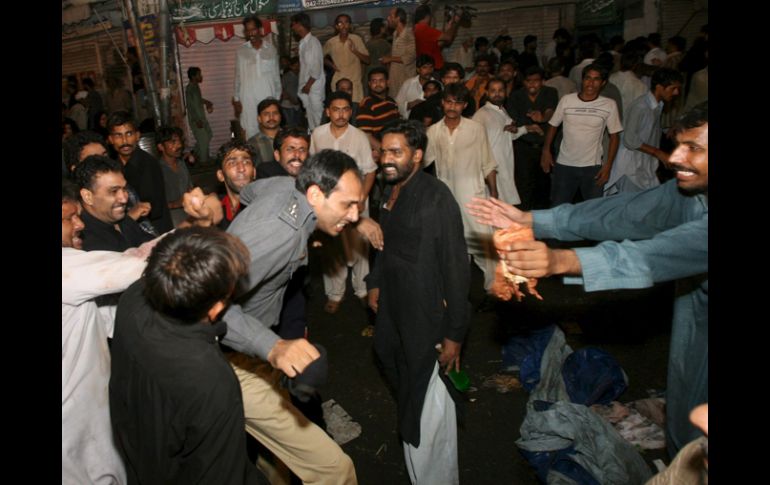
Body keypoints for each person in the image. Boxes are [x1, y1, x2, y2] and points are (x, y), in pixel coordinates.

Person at [468, 101, 708, 458]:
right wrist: (533, 220)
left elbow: (653, 256)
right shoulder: (691, 191)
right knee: (685, 423)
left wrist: (561, 260)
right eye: (678, 145)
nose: (675, 158)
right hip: (694, 328)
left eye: (694, 148)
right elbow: (625, 212)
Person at [110, 227, 261, 484]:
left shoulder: (132, 299)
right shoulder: (210, 379)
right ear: (215, 308)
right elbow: (220, 475)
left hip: (139, 459)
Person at [367, 120, 470, 485]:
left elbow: (457, 268)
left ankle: (434, 476)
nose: (386, 159)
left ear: (417, 155)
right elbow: (383, 242)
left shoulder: (436, 197)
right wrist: (375, 282)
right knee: (388, 357)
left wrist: (455, 333)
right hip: (393, 308)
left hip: (426, 316)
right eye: (383, 151)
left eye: (396, 152)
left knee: (426, 403)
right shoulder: (389, 188)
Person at [62, 178, 152, 485]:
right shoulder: (67, 266)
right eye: (69, 218)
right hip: (76, 414)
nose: (79, 224)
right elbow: (134, 267)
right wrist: (194, 233)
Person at [424, 83, 498, 291]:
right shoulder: (433, 131)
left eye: (457, 103)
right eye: (449, 102)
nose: (452, 107)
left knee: (482, 243)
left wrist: (494, 193)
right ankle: (458, 290)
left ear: (464, 105)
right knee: (454, 244)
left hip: (473, 196)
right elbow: (423, 162)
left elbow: (488, 162)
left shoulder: (476, 129)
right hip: (447, 198)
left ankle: (494, 288)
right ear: (442, 103)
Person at [310, 91, 378, 314]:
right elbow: (312, 168)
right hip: (329, 203)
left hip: (356, 200)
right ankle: (335, 293)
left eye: (345, 109)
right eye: (336, 109)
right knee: (332, 246)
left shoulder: (359, 136)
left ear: (351, 112)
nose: (341, 114)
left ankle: (362, 288)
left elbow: (370, 171)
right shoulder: (317, 135)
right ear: (327, 111)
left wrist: (362, 199)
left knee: (360, 246)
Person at [541, 63, 622, 206]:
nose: (591, 83)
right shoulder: (567, 100)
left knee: (593, 209)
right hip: (565, 165)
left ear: (603, 83)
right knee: (559, 207)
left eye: (596, 79)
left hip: (592, 167)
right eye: (588, 78)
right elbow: (553, 125)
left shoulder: (609, 105)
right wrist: (546, 151)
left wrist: (608, 165)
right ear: (582, 80)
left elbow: (615, 136)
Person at [604, 68, 683, 195]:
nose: (676, 92)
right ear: (659, 87)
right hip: (630, 168)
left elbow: (648, 131)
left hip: (643, 166)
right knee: (631, 203)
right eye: (673, 88)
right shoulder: (640, 106)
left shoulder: (657, 106)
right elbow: (629, 140)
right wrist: (658, 153)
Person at [107, 111, 174, 233]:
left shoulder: (148, 164)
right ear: (111, 139)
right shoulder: (112, 167)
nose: (124, 141)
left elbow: (153, 208)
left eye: (129, 134)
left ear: (137, 136)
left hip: (154, 232)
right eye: (118, 135)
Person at [233, 14, 281, 140]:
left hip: (267, 98)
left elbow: (276, 77)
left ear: (260, 30)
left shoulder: (271, 49)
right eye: (247, 30)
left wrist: (277, 99)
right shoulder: (241, 51)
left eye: (253, 29)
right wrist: (236, 99)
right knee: (250, 131)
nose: (251, 33)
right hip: (248, 99)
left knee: (270, 131)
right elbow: (238, 76)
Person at [324, 14, 370, 104]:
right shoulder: (331, 42)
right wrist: (331, 65)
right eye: (340, 23)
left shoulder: (356, 39)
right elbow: (320, 58)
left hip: (354, 83)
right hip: (338, 82)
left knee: (356, 108)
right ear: (336, 26)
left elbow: (368, 60)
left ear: (350, 25)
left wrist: (355, 51)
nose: (344, 26)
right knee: (340, 107)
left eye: (346, 22)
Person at [291, 12, 326, 130]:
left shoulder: (313, 42)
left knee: (317, 116)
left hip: (313, 86)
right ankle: (314, 138)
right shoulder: (303, 43)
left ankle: (323, 139)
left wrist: (308, 85)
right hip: (306, 85)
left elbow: (316, 67)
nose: (292, 27)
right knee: (310, 116)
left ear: (299, 25)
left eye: (293, 24)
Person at [156, 125, 194, 226]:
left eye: (179, 141)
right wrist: (174, 204)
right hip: (170, 219)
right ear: (161, 147)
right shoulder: (157, 170)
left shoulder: (181, 164)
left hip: (188, 214)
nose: (179, 145)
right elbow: (154, 205)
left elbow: (190, 188)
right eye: (173, 142)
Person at [413, 4, 461, 71]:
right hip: (434, 67)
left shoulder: (416, 28)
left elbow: (439, 44)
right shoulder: (424, 29)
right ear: (427, 16)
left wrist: (447, 22)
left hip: (427, 66)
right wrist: (455, 22)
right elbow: (448, 37)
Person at [383, 7, 416, 98]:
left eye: (391, 16)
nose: (388, 18)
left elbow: (410, 57)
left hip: (406, 78)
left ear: (398, 19)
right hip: (395, 78)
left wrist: (390, 59)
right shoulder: (395, 34)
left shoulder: (409, 34)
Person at [185, 66, 214, 165]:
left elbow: (197, 100)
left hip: (201, 117)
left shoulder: (195, 86)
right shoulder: (190, 89)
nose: (201, 76)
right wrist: (197, 120)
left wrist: (206, 102)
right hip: (196, 119)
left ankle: (194, 154)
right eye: (199, 74)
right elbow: (190, 106)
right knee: (204, 139)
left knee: (209, 135)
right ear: (193, 77)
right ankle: (203, 162)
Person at [394, 54, 435, 119]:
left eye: (431, 67)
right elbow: (396, 105)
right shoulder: (408, 83)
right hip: (409, 122)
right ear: (418, 69)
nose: (428, 70)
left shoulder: (438, 85)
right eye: (425, 67)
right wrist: (410, 105)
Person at [247, 98, 282, 164]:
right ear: (259, 119)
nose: (271, 117)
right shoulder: (252, 143)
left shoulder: (291, 138)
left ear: (280, 117)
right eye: (266, 114)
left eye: (275, 113)